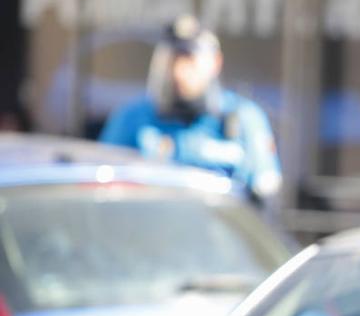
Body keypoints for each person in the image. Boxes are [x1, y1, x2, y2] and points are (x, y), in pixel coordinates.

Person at [100, 14, 282, 214]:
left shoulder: (243, 118)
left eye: (190, 60)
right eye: (172, 61)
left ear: (215, 62)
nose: (180, 72)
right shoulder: (133, 118)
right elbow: (104, 188)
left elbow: (265, 188)